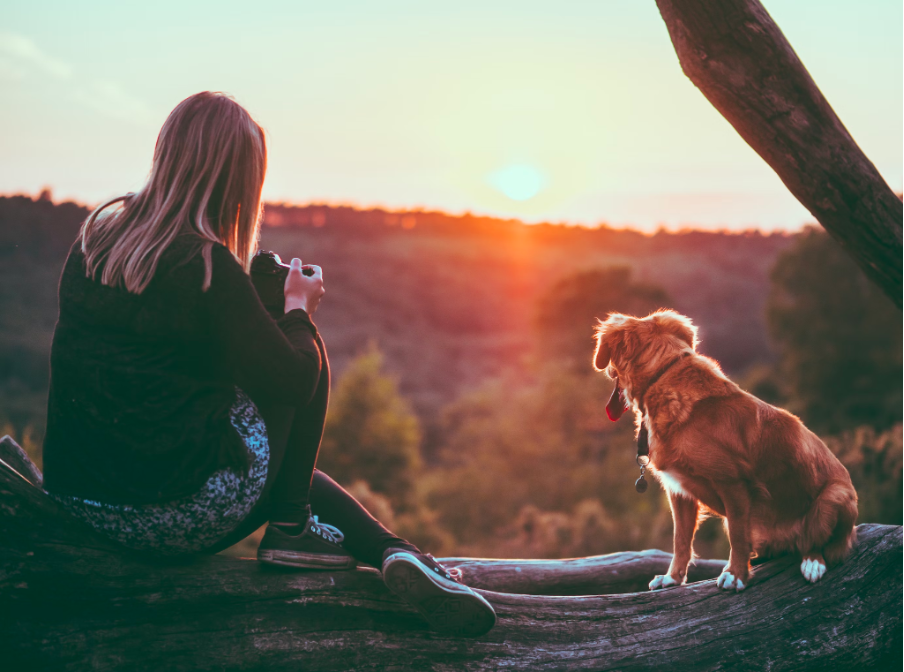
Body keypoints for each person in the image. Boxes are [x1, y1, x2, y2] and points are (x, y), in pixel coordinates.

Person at [40, 91, 495, 638]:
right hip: (173, 519)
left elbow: (167, 334)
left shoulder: (95, 240)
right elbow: (292, 381)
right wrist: (296, 310)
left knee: (286, 473)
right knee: (306, 357)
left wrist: (250, 297)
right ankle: (297, 530)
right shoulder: (207, 264)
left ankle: (390, 551)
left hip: (77, 502)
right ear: (236, 180)